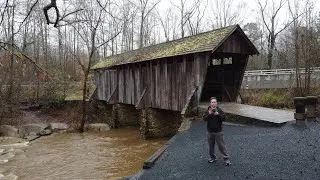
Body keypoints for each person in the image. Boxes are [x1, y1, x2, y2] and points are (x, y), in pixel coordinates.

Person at [203, 97, 231, 166]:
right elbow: (204, 119)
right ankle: (213, 158)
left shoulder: (219, 110)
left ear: (216, 103)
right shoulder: (207, 110)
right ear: (210, 103)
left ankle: (226, 159)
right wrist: (209, 114)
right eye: (212, 102)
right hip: (210, 132)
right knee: (211, 146)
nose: (213, 103)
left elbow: (224, 118)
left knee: (222, 146)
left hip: (218, 132)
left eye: (215, 102)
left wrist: (218, 114)